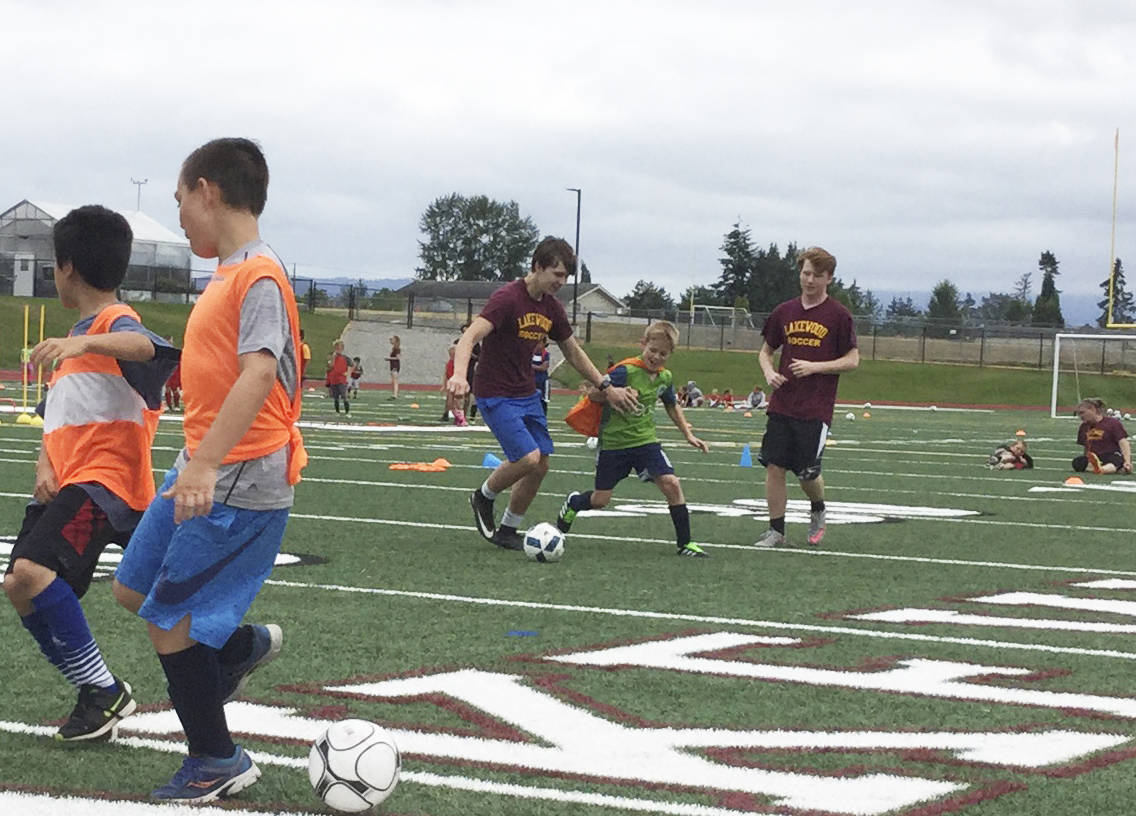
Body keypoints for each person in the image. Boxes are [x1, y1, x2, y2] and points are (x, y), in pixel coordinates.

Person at [112, 138, 308, 803]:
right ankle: (236, 649)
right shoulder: (228, 272)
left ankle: (216, 759)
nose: (181, 218)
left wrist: (205, 462)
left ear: (208, 191)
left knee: (168, 620)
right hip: (199, 465)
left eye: (179, 203)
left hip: (237, 476)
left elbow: (258, 372)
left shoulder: (258, 274)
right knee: (134, 590)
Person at [3, 205, 178, 742]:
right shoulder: (80, 341)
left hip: (106, 484)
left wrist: (82, 342)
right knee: (18, 587)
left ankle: (106, 692)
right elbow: (63, 417)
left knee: (34, 574)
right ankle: (98, 690)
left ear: (65, 267)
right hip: (70, 479)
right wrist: (44, 462)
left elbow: (148, 346)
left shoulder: (110, 324)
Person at [448, 236, 637, 550]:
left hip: (527, 393)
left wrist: (607, 386)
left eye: (565, 277)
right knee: (527, 457)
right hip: (495, 392)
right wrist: (458, 374)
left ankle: (509, 528)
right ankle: (484, 496)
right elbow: (470, 336)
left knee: (541, 465)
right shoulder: (507, 298)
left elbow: (573, 351)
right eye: (557, 274)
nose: (561, 282)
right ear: (537, 267)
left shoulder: (551, 307)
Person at [557, 321, 710, 557]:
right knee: (600, 500)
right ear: (643, 344)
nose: (656, 357)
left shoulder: (665, 377)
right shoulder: (624, 371)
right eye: (653, 350)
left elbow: (671, 404)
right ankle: (575, 503)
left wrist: (688, 434)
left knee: (672, 483)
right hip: (614, 444)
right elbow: (595, 394)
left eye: (663, 354)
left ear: (670, 355)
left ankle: (685, 543)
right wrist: (614, 394)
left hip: (646, 442)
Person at [755, 246, 859, 549]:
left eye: (816, 275)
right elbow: (765, 352)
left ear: (829, 278)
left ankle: (818, 508)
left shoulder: (839, 316)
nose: (809, 280)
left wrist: (816, 367)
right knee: (774, 465)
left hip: (815, 406)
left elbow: (852, 360)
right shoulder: (784, 311)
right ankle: (776, 530)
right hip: (783, 401)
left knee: (807, 473)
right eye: (805, 273)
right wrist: (768, 373)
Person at [1072, 398, 1132, 474]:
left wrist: (1127, 461)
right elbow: (1086, 446)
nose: (1080, 416)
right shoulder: (1084, 427)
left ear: (1093, 410)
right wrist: (1087, 458)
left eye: (1082, 413)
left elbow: (1123, 442)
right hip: (1094, 457)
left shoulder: (1112, 423)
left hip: (1111, 455)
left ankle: (1102, 469)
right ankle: (1104, 468)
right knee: (1078, 462)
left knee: (1115, 461)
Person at [327, 339, 351, 414]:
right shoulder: (332, 357)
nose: (338, 350)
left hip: (342, 380)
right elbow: (330, 366)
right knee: (336, 397)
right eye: (336, 348)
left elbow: (352, 365)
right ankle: (337, 411)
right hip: (334, 379)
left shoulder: (345, 358)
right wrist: (333, 358)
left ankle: (347, 411)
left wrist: (348, 373)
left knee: (344, 396)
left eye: (339, 348)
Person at [532, 335, 551, 416]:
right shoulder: (530, 353)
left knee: (543, 401)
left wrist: (531, 366)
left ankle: (543, 416)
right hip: (531, 380)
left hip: (542, 381)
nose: (538, 345)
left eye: (540, 343)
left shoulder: (545, 354)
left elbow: (544, 367)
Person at [164, 336, 183, 412]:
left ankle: (177, 405)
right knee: (167, 389)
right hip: (166, 372)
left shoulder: (174, 351)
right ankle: (169, 406)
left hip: (174, 372)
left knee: (175, 389)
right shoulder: (163, 351)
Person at [387, 335, 400, 399]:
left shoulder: (397, 348)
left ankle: (395, 395)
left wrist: (389, 358)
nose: (390, 341)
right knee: (393, 380)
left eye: (392, 339)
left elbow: (398, 358)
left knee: (395, 380)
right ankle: (394, 394)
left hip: (395, 366)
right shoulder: (394, 348)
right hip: (393, 365)